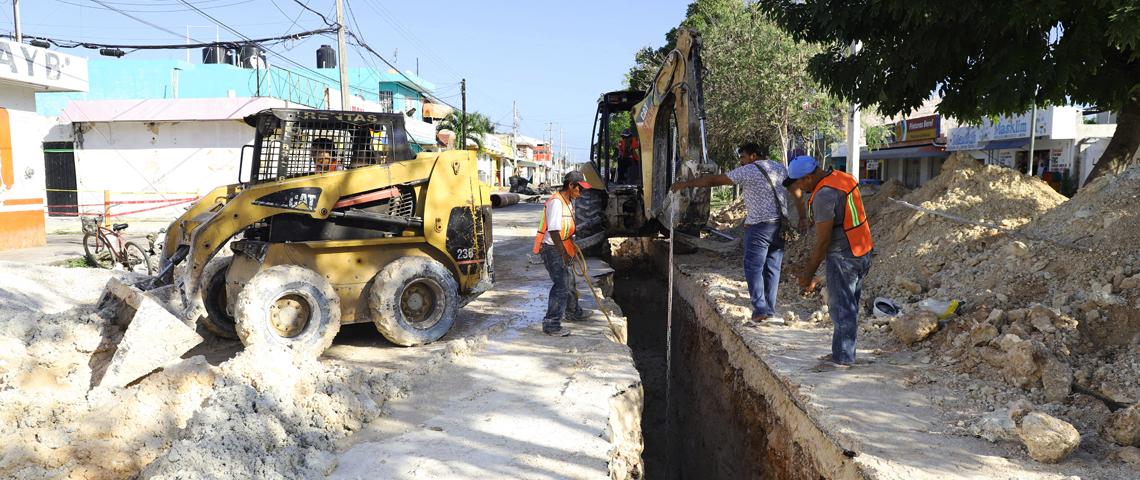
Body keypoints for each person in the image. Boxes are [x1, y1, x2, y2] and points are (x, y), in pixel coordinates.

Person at [671, 142, 804, 324]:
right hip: (780, 226)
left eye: (743, 157)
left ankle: (760, 309)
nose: (741, 161)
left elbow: (713, 181)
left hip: (759, 228)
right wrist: (803, 216)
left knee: (753, 268)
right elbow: (796, 190)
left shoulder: (748, 170)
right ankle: (769, 310)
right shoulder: (778, 167)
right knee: (772, 268)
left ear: (753, 156)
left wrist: (686, 183)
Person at [784, 155, 874, 372]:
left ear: (807, 178)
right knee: (848, 305)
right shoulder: (842, 177)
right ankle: (841, 351)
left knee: (841, 307)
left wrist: (808, 275)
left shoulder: (824, 195)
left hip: (845, 256)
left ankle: (843, 359)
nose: (799, 189)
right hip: (862, 249)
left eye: (798, 184)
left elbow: (823, 241)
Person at [533, 171, 592, 336]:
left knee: (570, 282)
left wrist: (570, 247)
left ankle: (573, 312)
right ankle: (551, 324)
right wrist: (563, 254)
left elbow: (564, 229)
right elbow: (553, 231)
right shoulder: (556, 203)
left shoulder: (568, 201)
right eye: (579, 188)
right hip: (553, 249)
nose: (581, 192)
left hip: (564, 246)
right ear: (571, 186)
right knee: (561, 285)